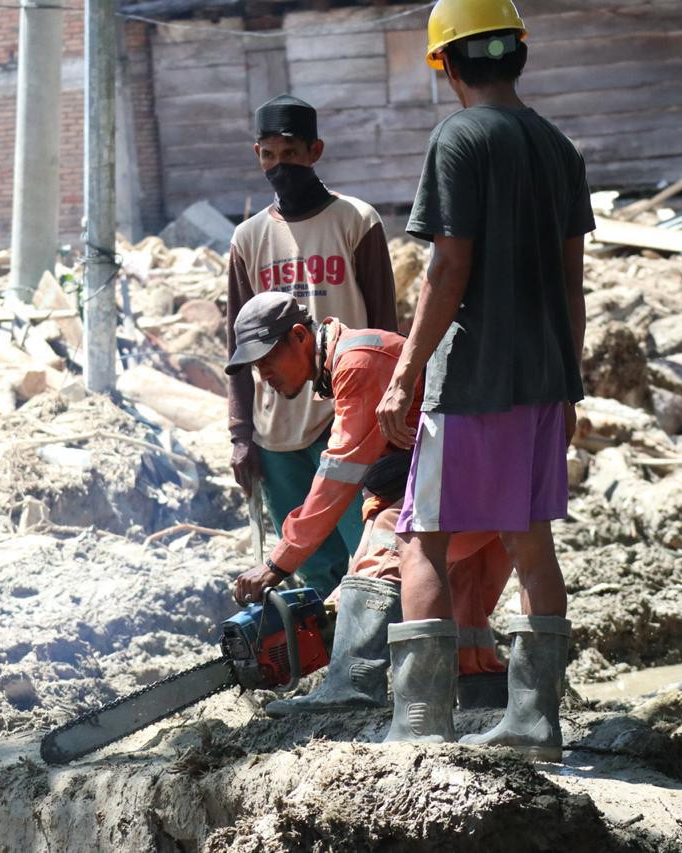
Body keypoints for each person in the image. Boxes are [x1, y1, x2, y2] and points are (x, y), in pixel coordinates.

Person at [375, 0, 594, 760]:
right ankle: (534, 723)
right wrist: (568, 385)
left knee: (421, 540)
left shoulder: (457, 138)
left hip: (469, 379)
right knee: (530, 543)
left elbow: (447, 267)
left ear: (446, 65)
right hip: (541, 376)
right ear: (517, 55)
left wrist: (404, 371)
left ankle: (418, 725)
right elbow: (573, 284)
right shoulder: (558, 148)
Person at [228, 291, 513, 715]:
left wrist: (278, 562)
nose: (263, 373)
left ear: (301, 336)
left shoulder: (357, 363)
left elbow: (340, 471)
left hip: (473, 479)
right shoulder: (358, 354)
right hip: (496, 476)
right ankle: (483, 697)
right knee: (461, 592)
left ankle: (353, 681)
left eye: (266, 358)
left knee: (380, 548)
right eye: (254, 366)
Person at [227, 94, 398, 599]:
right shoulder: (248, 238)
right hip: (276, 430)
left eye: (290, 154)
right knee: (311, 570)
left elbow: (386, 329)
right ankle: (331, 668)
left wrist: (389, 417)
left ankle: (374, 664)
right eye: (267, 156)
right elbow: (236, 343)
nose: (279, 167)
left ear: (315, 151)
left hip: (345, 414)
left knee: (366, 552)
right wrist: (241, 432)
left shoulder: (356, 221)